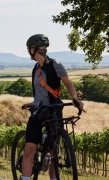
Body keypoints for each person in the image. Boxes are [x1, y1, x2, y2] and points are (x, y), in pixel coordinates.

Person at [20, 34, 84, 180]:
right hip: (38, 110)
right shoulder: (35, 69)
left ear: (33, 49)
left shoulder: (56, 65)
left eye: (29, 48)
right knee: (30, 148)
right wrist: (33, 102)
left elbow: (68, 84)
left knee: (53, 151)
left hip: (54, 110)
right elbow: (39, 93)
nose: (29, 51)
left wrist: (75, 97)